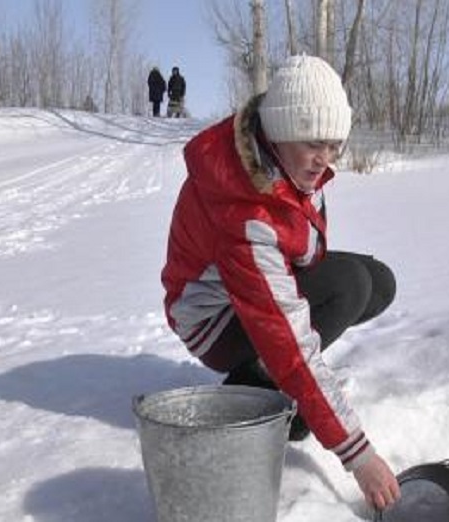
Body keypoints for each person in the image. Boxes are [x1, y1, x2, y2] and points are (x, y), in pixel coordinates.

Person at [161, 55, 401, 511]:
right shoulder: (244, 211)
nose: (326, 160)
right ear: (280, 131)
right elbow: (288, 337)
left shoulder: (286, 162)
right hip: (213, 322)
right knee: (347, 285)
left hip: (246, 290)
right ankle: (253, 391)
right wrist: (359, 455)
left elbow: (301, 245)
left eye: (334, 145)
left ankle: (276, 380)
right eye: (315, 143)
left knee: (376, 282)